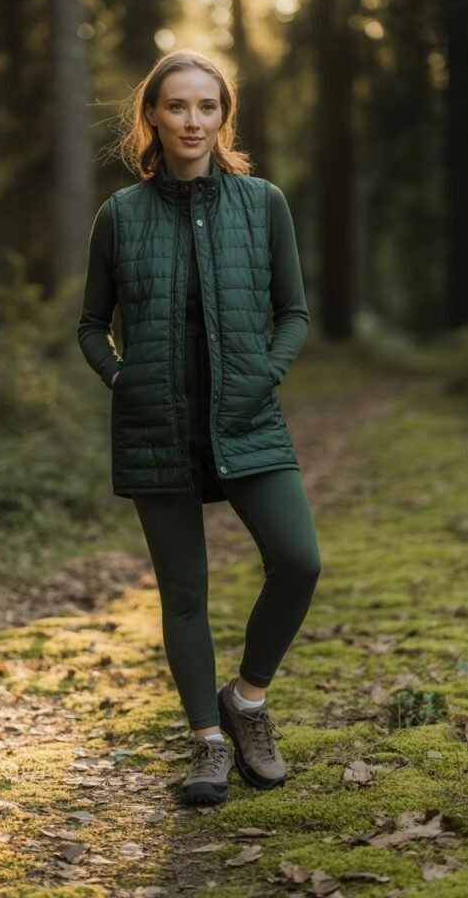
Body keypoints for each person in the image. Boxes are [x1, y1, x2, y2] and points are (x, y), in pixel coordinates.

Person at [77, 48, 322, 806]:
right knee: (184, 591)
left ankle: (244, 703)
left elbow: (294, 312)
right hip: (158, 423)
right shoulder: (119, 215)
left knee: (299, 560)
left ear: (224, 117)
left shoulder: (263, 203)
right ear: (151, 115)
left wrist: (265, 373)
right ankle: (206, 744)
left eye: (207, 106)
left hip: (247, 417)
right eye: (177, 106)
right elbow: (90, 326)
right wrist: (123, 376)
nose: (193, 120)